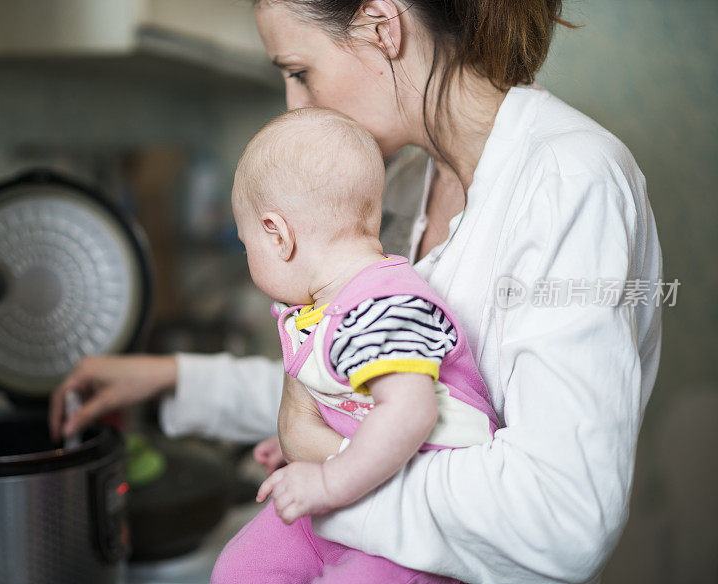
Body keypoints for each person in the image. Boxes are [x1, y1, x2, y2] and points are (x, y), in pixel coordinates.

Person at [49, 1, 663, 582]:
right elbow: (361, 382)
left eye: (300, 72)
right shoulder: (399, 189)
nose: (294, 108)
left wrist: (327, 484)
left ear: (380, 26)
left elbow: (561, 520)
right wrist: (172, 379)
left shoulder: (569, 182)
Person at [210, 107, 499, 583]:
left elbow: (409, 413)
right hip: (357, 484)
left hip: (413, 516)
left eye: (248, 246)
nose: (250, 261)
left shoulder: (385, 302)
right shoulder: (325, 307)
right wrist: (309, 437)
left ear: (277, 234)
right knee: (242, 568)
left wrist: (327, 479)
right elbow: (357, 399)